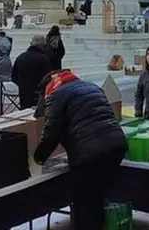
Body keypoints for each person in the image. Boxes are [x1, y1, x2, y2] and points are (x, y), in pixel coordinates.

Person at [33, 69, 128, 230]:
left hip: (89, 156)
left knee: (83, 203)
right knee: (96, 200)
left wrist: (37, 158)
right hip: (116, 146)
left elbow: (51, 132)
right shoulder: (91, 87)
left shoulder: (56, 95)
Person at [12, 35, 55, 108]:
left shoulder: (21, 57)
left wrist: (22, 85)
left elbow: (13, 76)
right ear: (42, 46)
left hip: (23, 93)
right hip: (38, 95)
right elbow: (49, 78)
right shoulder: (44, 59)